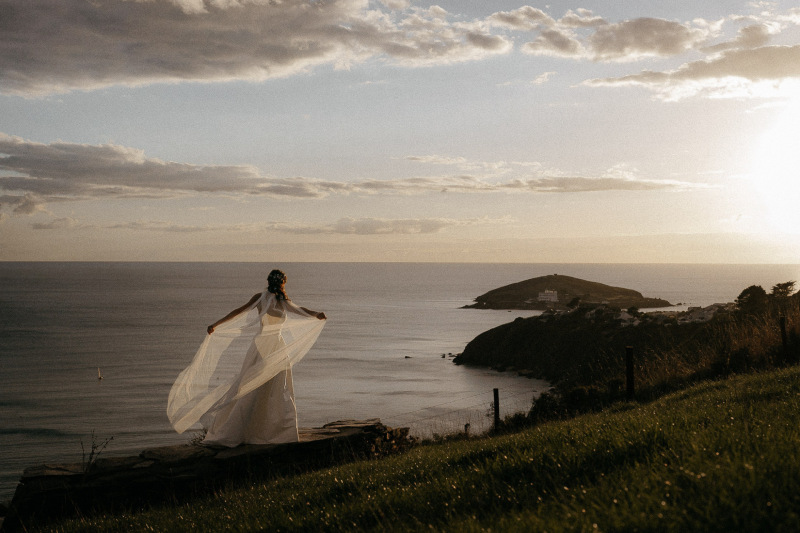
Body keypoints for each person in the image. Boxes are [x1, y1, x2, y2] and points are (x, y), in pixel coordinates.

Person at [167, 269, 326, 447]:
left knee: (277, 388)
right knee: (251, 387)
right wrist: (217, 324)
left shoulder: (283, 301)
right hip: (263, 346)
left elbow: (298, 310)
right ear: (281, 283)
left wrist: (315, 314)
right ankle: (244, 431)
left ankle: (270, 431)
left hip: (276, 346)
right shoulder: (261, 298)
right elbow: (239, 311)